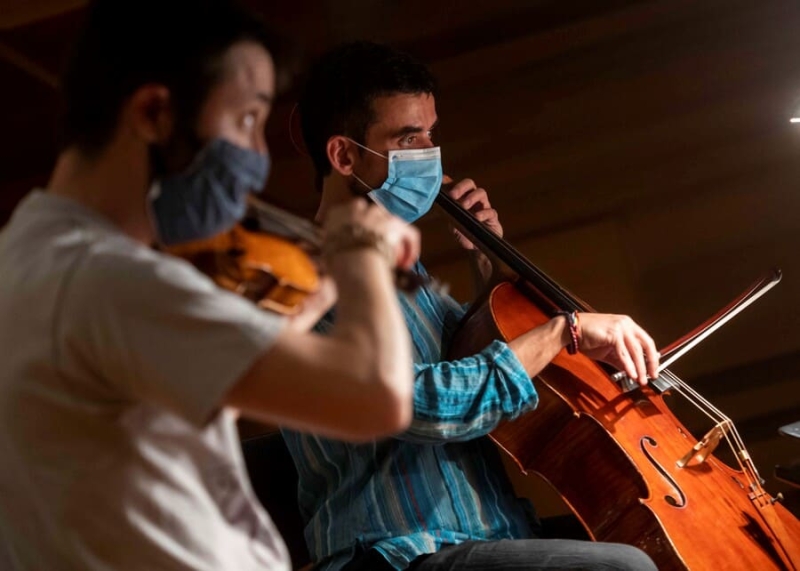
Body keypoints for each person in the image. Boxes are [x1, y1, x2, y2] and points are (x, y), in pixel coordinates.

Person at [0, 5, 421, 570]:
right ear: (153, 113)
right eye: (246, 120)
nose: (257, 157)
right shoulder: (110, 279)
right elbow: (379, 398)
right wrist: (359, 246)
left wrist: (319, 291)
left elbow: (195, 377)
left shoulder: (29, 261)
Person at [281, 41, 661, 571]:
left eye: (431, 133)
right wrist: (562, 332)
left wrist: (488, 267)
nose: (430, 154)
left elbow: (472, 359)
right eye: (408, 138)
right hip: (395, 553)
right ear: (344, 156)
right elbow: (428, 405)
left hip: (482, 536)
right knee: (624, 570)